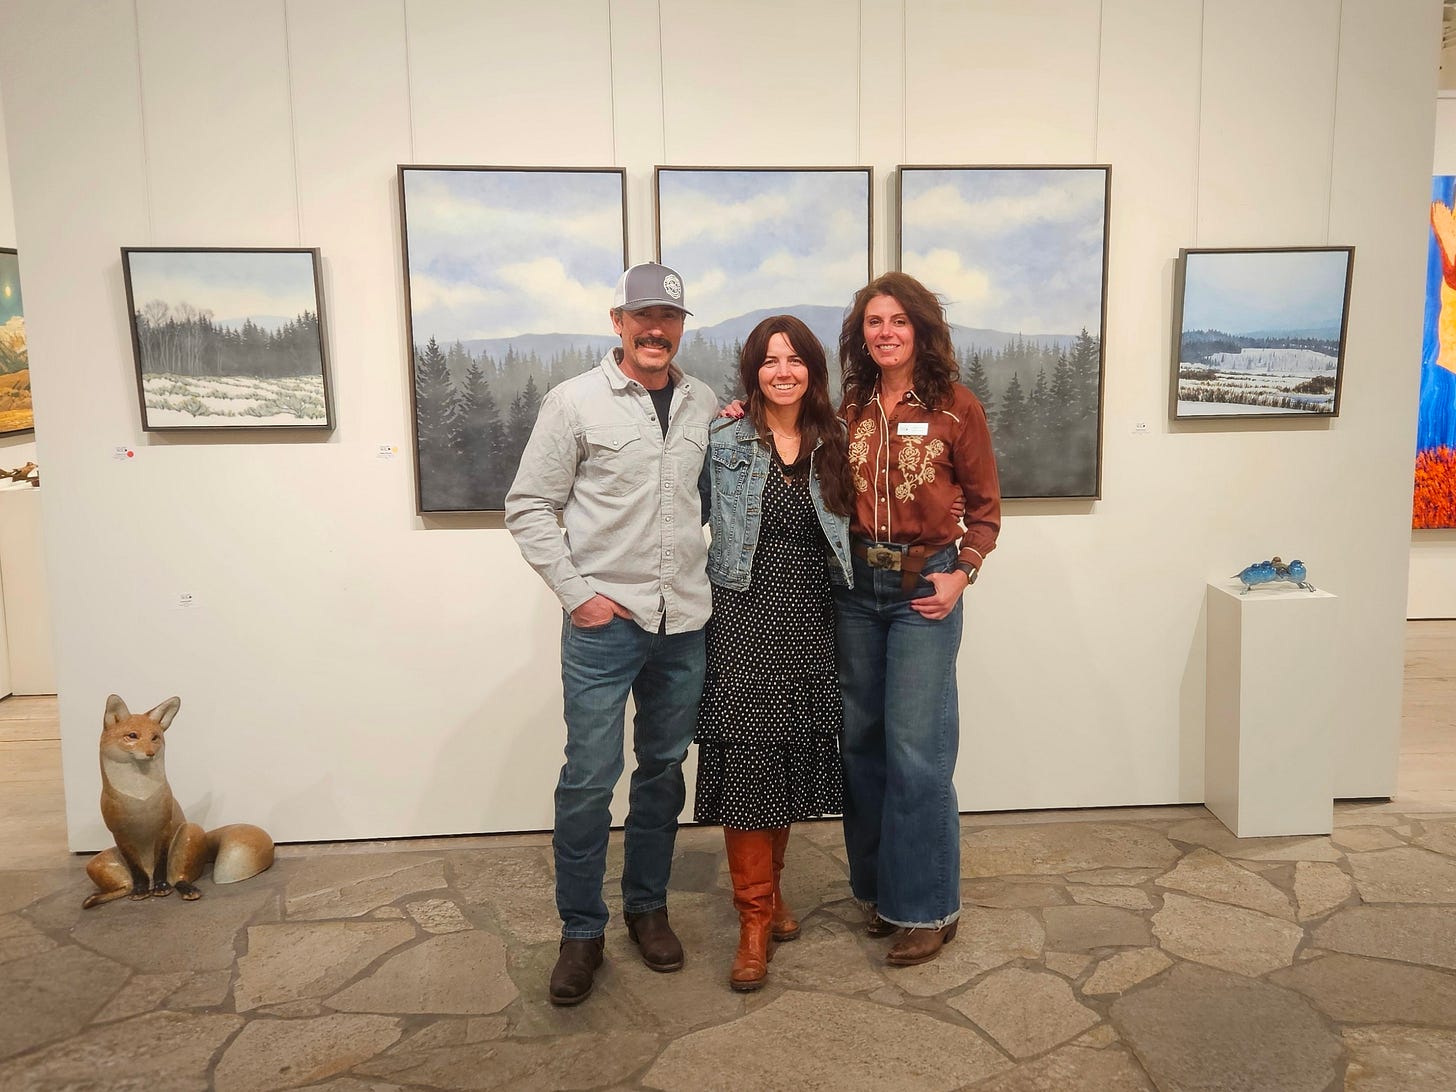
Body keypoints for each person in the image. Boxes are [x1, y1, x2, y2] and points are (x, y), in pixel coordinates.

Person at [504, 262, 718, 1006]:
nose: (656, 329)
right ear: (617, 322)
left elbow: (713, 496)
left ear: (681, 326)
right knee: (591, 780)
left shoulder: (703, 403)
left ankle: (647, 909)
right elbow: (529, 505)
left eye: (670, 317)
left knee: (662, 773)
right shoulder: (573, 403)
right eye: (643, 316)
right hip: (606, 627)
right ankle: (581, 930)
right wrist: (579, 596)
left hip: (683, 625)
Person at [835, 271, 1000, 966]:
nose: (886, 333)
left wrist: (962, 573)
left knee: (917, 748)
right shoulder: (849, 408)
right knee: (861, 745)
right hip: (853, 590)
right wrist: (739, 411)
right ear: (861, 334)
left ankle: (929, 906)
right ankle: (881, 892)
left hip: (923, 589)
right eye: (874, 322)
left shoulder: (956, 407)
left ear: (921, 329)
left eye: (898, 321)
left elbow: (985, 511)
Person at [695, 315, 854, 991]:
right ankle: (753, 920)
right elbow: (687, 515)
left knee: (785, 759)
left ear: (812, 369)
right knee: (750, 763)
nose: (781, 371)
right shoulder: (725, 437)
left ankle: (774, 891)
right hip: (743, 613)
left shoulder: (834, 440)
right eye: (769, 360)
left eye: (793, 359)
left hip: (811, 618)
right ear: (752, 372)